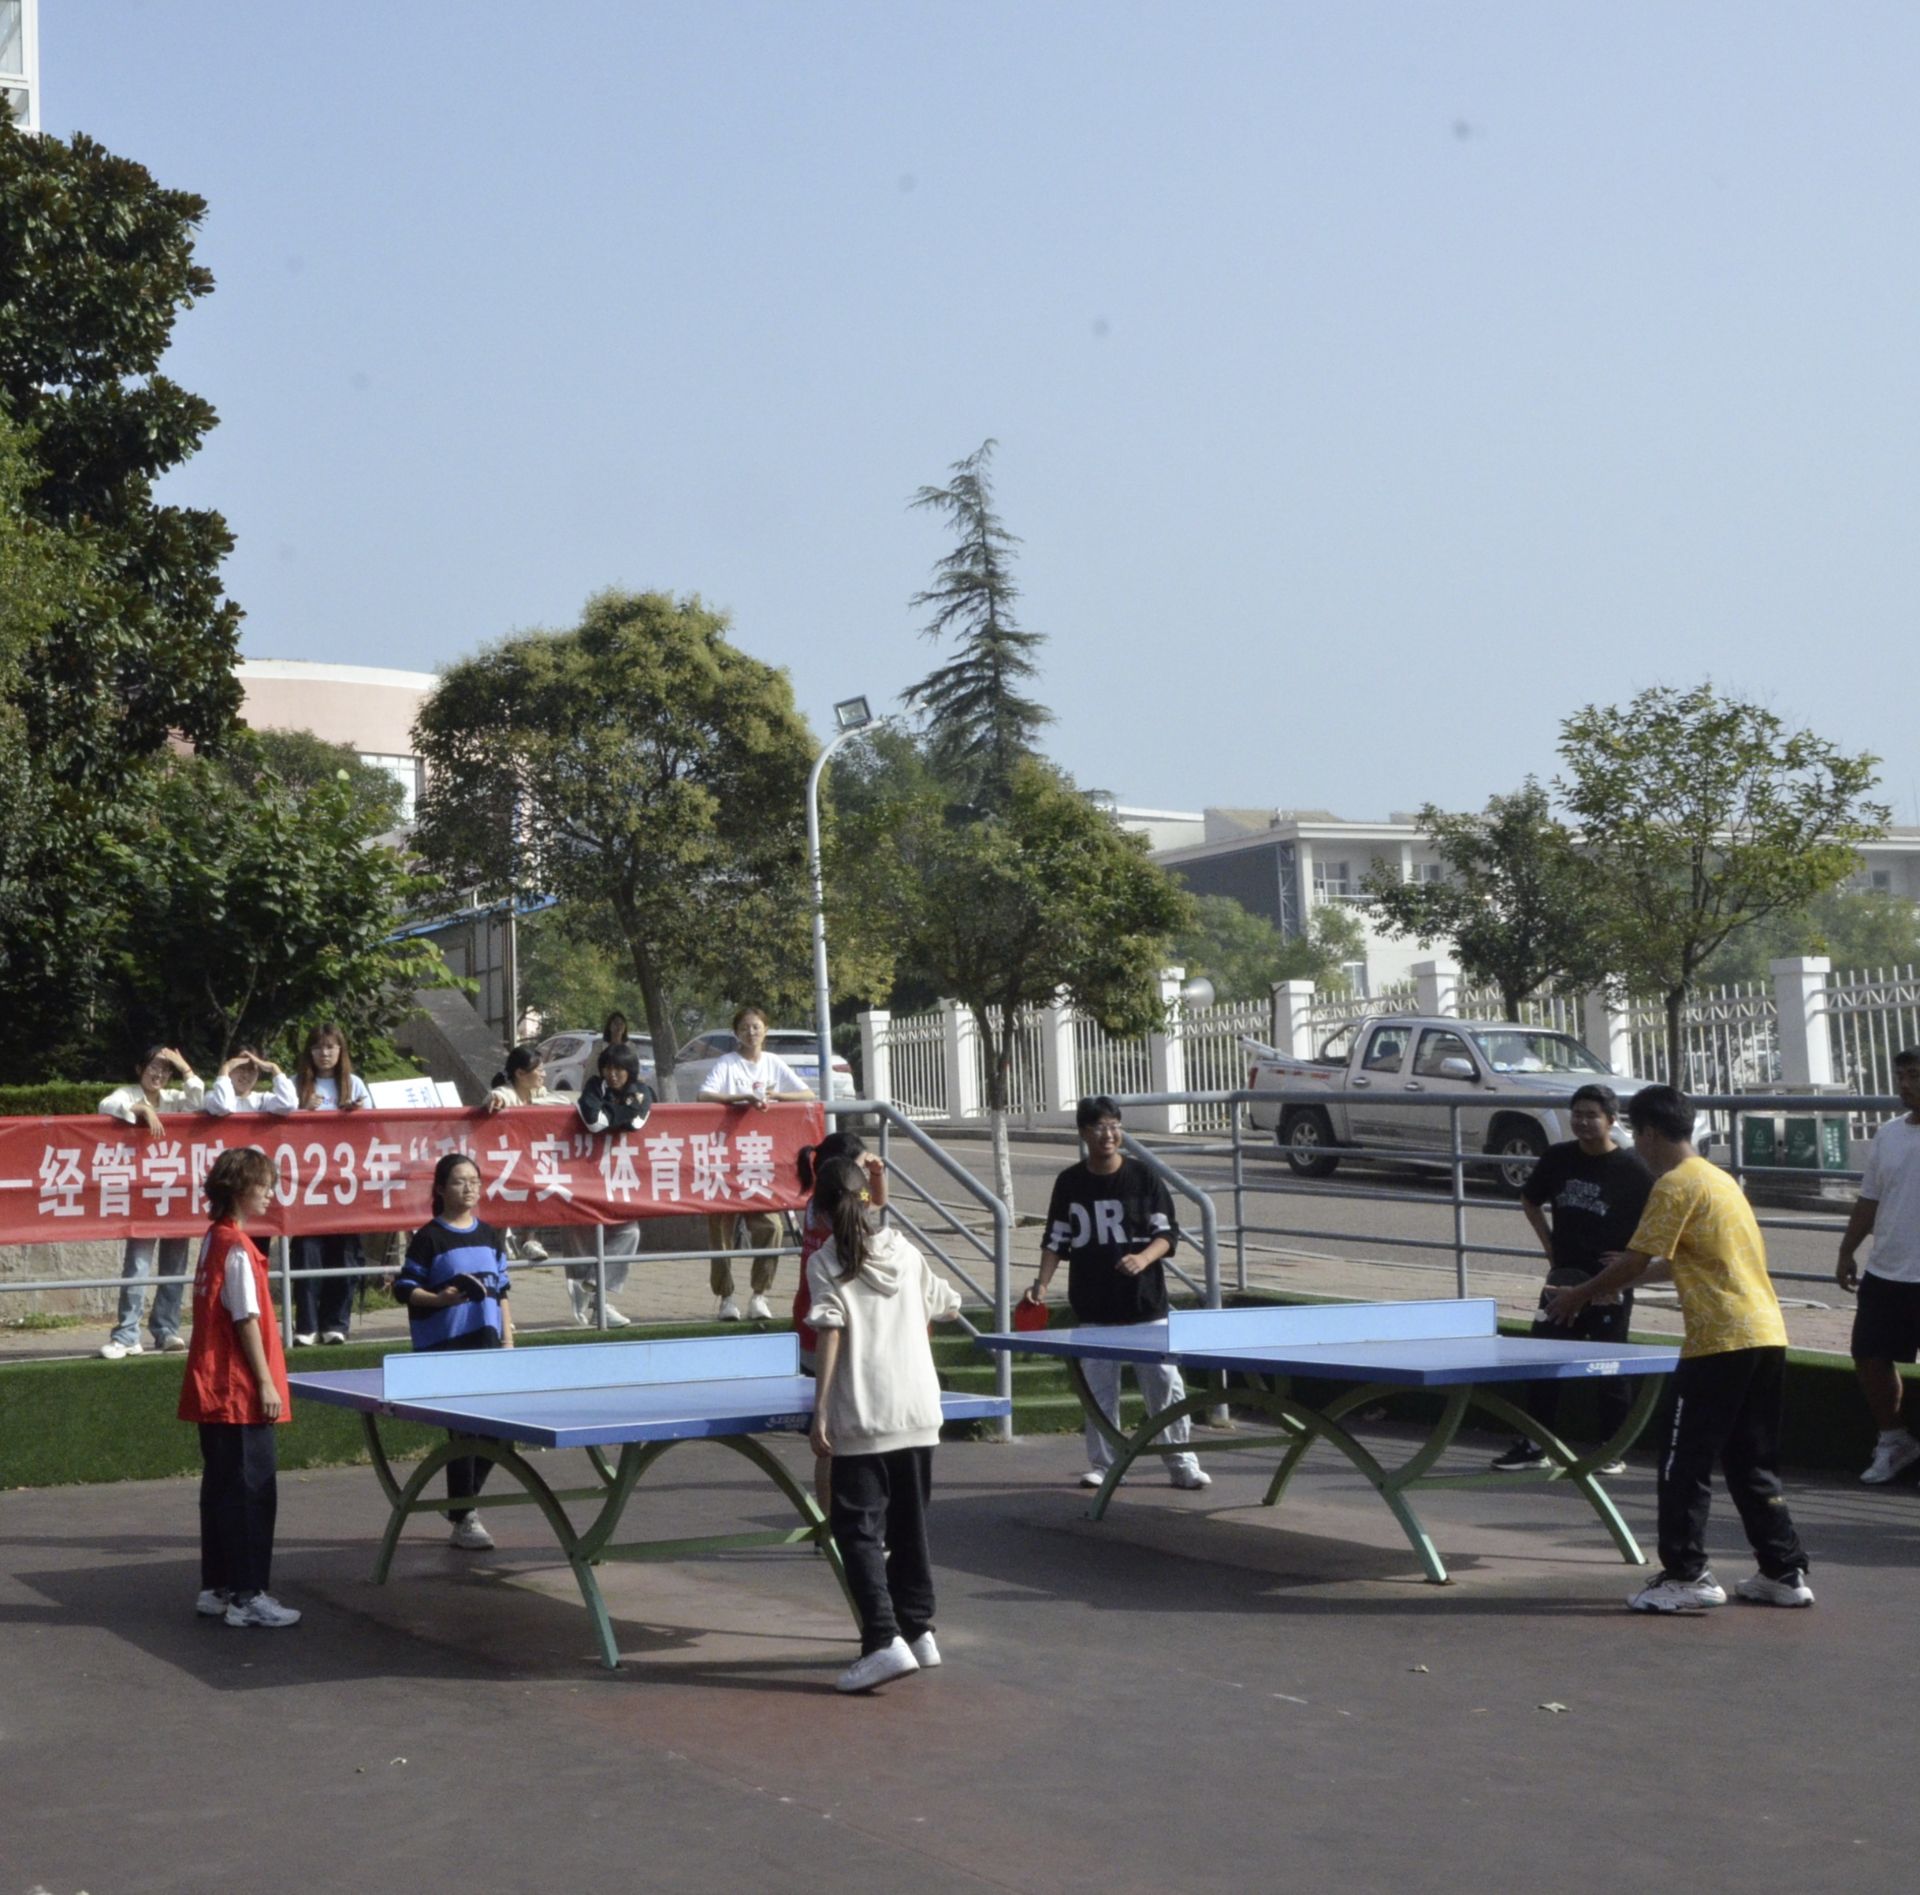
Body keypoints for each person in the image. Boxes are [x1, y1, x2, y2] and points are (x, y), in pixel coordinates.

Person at [1547, 1085, 1812, 1613]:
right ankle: (1783, 1570)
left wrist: (1579, 1294)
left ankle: (1687, 1574)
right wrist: (1621, 1281)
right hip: (1765, 1334)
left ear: (1648, 1132)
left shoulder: (1672, 1185)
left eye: (1635, 1133)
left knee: (1681, 1459)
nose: (1635, 1145)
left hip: (1718, 1341)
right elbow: (1681, 1260)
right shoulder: (1718, 1180)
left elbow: (1633, 1259)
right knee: (1750, 1459)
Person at [806, 1154, 963, 1693]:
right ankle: (918, 1631)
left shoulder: (826, 1260)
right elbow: (947, 1305)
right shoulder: (906, 1252)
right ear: (867, 1201)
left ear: (819, 1210)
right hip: (917, 1409)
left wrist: (820, 1409)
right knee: (908, 1526)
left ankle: (881, 1640)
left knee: (857, 1532)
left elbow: (830, 1330)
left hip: (863, 1413)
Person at [1024, 1095, 1208, 1491]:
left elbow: (1167, 1235)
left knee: (1165, 1387)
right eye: (1099, 1127)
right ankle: (1105, 1466)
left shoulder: (1144, 1177)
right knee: (1099, 1393)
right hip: (1094, 1308)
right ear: (1083, 1133)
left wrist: (1143, 1258)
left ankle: (1182, 1464)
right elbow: (1055, 1238)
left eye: (1114, 1126)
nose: (1108, 1134)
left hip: (1146, 1307)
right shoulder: (1070, 1182)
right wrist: (1042, 1283)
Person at [1490, 1084, 1654, 1473]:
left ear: (1611, 1121)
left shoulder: (1634, 1169)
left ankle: (1610, 1450)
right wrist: (1550, 1248)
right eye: (1577, 1114)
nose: (1582, 1122)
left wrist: (1634, 1258)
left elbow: (1660, 1220)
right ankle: (1535, 1445)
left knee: (1610, 1365)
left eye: (1591, 1115)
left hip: (1608, 1284)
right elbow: (1530, 1200)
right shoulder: (1558, 1157)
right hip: (1562, 1280)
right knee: (1542, 1360)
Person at [178, 1145, 300, 1629]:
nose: (270, 1193)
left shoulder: (213, 1238)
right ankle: (248, 1596)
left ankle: (218, 1587)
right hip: (237, 1391)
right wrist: (266, 1383)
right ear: (239, 1188)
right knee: (252, 1493)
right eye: (263, 1184)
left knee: (221, 1490)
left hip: (214, 1388)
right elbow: (245, 1318)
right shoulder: (237, 1247)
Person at [393, 1153, 514, 1551]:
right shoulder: (429, 1238)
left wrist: (508, 1340)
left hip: (487, 1348)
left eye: (475, 1181)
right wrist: (440, 1299)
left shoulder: (491, 1235)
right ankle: (465, 1518)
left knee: (501, 1435)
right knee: (464, 1433)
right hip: (446, 1351)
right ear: (441, 1189)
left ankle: (460, 1503)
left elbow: (502, 1291)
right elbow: (404, 1289)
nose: (469, 1188)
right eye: (460, 1181)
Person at [1835, 1047, 1920, 1484]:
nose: (1905, 1085)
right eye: (1901, 1075)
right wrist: (1847, 1250)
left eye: (1915, 1076)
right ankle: (1895, 1440)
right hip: (1887, 1271)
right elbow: (1870, 1198)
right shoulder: (1888, 1135)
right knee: (1869, 1355)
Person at [698, 1006, 814, 1320]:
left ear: (765, 1030)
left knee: (771, 1227)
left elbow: (806, 1095)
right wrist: (740, 1099)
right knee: (720, 1230)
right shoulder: (727, 1063)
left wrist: (776, 1097)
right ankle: (726, 1297)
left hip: (759, 1163)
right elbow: (704, 1096)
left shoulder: (774, 1063)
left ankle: (760, 1295)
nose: (751, 1033)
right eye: (745, 1028)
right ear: (736, 1033)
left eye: (756, 1027)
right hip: (725, 1160)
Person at [794, 1131, 888, 1510]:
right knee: (834, 1442)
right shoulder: (829, 1214)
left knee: (835, 1441)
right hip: (826, 1334)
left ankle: (834, 1523)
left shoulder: (821, 1203)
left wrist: (875, 1175)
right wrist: (873, 1181)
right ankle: (833, 1523)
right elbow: (872, 1204)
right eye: (862, 1167)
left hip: (818, 1328)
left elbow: (874, 1201)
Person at [98, 1046, 206, 1360]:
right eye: (153, 1068)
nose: (159, 1074)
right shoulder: (127, 1093)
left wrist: (185, 1068)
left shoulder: (174, 1098)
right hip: (142, 1198)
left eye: (165, 1070)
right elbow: (106, 1105)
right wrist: (140, 1110)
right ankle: (126, 1335)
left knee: (174, 1267)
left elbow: (199, 1101)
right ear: (140, 1069)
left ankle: (166, 1329)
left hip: (175, 1193)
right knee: (137, 1267)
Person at [289, 1023, 372, 1346]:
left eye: (330, 1047)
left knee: (345, 1253)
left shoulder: (355, 1084)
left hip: (346, 1185)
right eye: (318, 1047)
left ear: (341, 1050)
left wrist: (357, 1114)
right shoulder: (296, 1084)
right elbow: (278, 1123)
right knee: (306, 1253)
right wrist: (300, 1109)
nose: (324, 1053)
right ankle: (307, 1324)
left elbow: (373, 1130)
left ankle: (336, 1322)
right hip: (307, 1184)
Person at [572, 1042, 656, 1326]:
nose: (613, 1074)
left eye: (619, 1068)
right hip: (584, 1176)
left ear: (630, 1070)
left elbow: (637, 1122)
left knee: (629, 1232)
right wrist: (619, 1112)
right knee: (585, 1239)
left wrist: (611, 1114)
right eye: (608, 1067)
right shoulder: (594, 1086)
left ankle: (595, 1288)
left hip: (623, 1178)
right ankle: (594, 1302)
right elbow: (594, 1122)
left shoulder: (642, 1090)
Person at [485, 1043, 565, 1273]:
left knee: (538, 1187)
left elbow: (562, 1101)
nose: (544, 1074)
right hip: (501, 1168)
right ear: (520, 1073)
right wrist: (495, 1100)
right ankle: (496, 1253)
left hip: (526, 1165)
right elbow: (495, 1097)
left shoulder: (537, 1094)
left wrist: (536, 1105)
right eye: (539, 1069)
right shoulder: (506, 1093)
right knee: (499, 1211)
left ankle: (530, 1240)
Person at [202, 1049, 297, 1118]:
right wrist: (225, 1069)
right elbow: (223, 1106)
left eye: (251, 1070)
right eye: (241, 1068)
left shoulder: (262, 1100)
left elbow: (288, 1104)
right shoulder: (212, 1097)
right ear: (230, 1070)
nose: (246, 1075)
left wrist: (274, 1068)